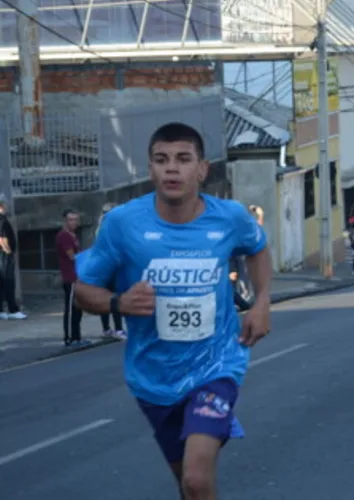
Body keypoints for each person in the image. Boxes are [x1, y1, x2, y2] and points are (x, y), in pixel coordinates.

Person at [75, 122, 274, 499]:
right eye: (161, 160)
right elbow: (83, 290)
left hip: (216, 365)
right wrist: (118, 302)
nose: (171, 168)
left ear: (202, 169)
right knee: (188, 486)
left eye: (183, 159)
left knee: (197, 479)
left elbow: (257, 248)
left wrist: (262, 302)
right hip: (154, 376)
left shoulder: (229, 218)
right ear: (150, 169)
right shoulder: (122, 224)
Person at [56, 208, 86, 347]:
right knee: (70, 308)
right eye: (70, 220)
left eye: (75, 219)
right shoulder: (64, 236)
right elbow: (72, 256)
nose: (73, 222)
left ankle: (77, 336)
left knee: (77, 309)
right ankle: (69, 338)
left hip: (77, 277)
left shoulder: (73, 235)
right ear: (65, 221)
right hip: (70, 277)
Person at [96, 202, 126, 340]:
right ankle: (117, 329)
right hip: (111, 268)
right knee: (114, 298)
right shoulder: (109, 230)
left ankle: (107, 329)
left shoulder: (101, 229)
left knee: (107, 297)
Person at [0, 197, 24, 320]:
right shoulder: (2, 220)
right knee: (8, 281)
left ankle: (1, 311)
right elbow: (2, 237)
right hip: (4, 256)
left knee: (2, 282)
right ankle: (13, 309)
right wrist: (8, 251)